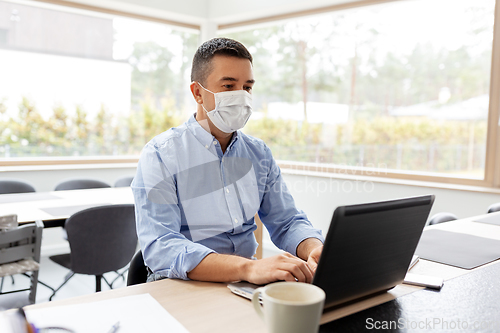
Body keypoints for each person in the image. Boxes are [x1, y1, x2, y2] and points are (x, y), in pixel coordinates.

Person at [131, 37, 324, 285]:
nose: (241, 96)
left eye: (247, 87)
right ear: (198, 92)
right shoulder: (160, 154)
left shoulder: (259, 154)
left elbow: (286, 221)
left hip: (244, 283)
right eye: (228, 86)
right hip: (181, 285)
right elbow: (161, 247)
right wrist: (246, 268)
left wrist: (313, 248)